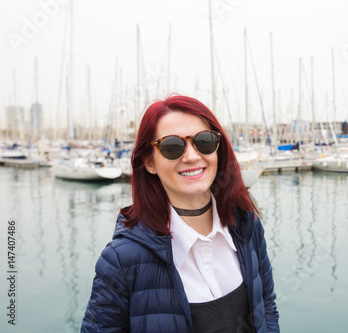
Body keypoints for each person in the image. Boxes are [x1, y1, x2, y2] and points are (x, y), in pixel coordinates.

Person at [81, 95, 279, 333]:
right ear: (149, 162)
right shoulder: (121, 261)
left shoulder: (248, 226)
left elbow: (267, 307)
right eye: (172, 146)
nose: (192, 156)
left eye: (204, 142)